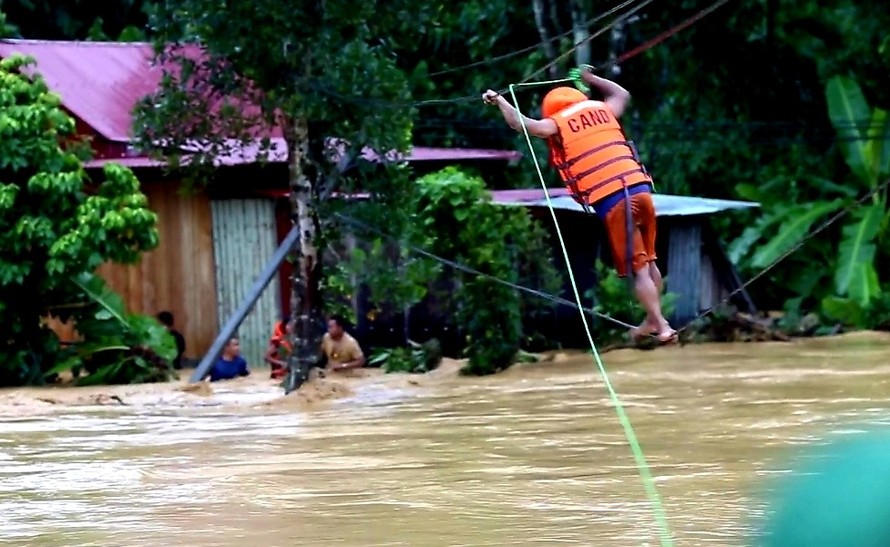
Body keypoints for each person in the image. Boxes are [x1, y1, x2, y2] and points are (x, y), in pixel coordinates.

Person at [482, 67, 676, 344]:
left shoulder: (557, 123)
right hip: (642, 189)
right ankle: (651, 320)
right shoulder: (602, 109)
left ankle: (662, 325)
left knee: (639, 269)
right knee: (650, 261)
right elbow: (622, 94)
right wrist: (593, 80)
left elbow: (522, 124)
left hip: (615, 199)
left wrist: (499, 100)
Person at [264, 314, 292, 380]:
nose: (292, 327)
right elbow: (266, 357)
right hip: (277, 377)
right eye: (289, 325)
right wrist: (281, 363)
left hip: (287, 375)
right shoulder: (277, 341)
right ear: (285, 326)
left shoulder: (294, 340)